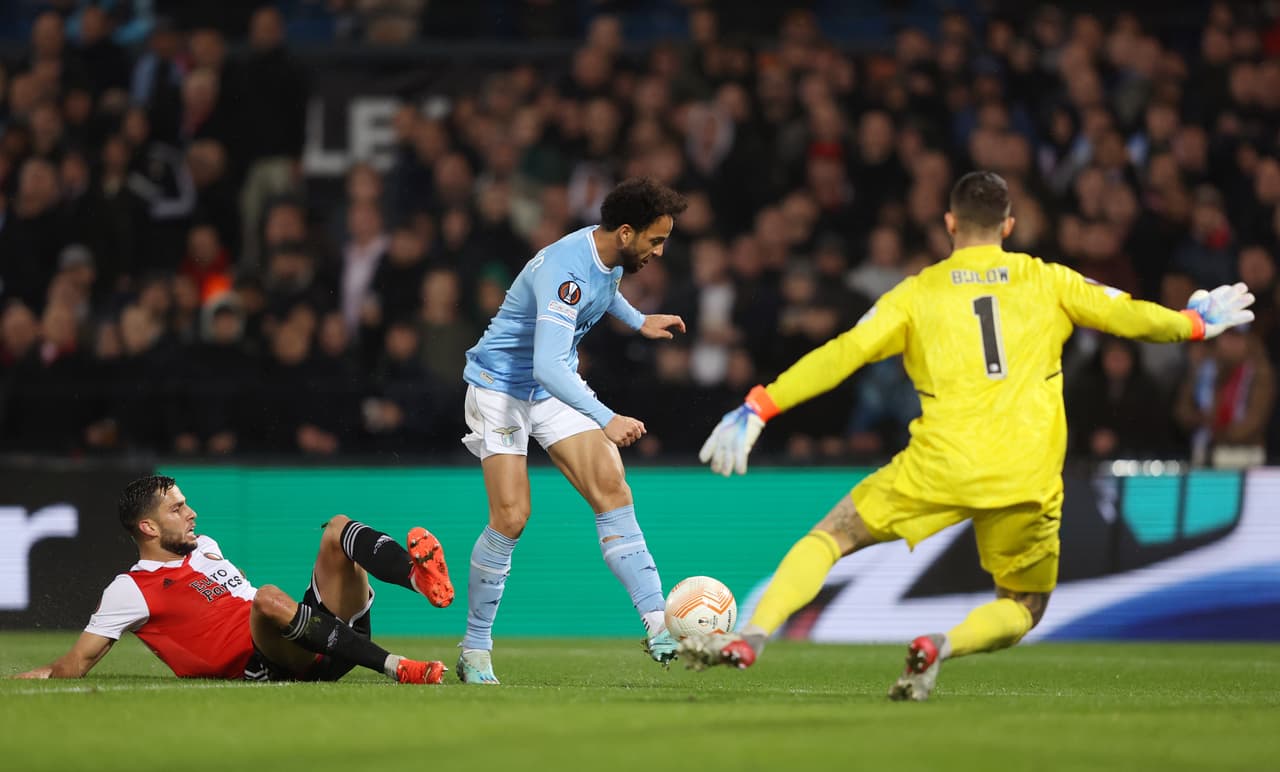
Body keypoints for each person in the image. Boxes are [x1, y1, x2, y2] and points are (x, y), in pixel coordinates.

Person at [681, 171, 1255, 700]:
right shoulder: (1047, 279)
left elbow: (843, 354)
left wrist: (760, 405)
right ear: (1009, 225)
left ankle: (756, 631)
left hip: (939, 464)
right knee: (1024, 605)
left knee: (832, 537)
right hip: (1026, 474)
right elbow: (1133, 316)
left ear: (950, 224)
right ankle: (941, 645)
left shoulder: (916, 293)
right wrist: (1195, 322)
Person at [457, 177, 688, 684]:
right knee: (512, 516)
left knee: (612, 485)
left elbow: (603, 291)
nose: (660, 250)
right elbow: (548, 366)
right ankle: (475, 647)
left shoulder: (602, 251)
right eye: (655, 239)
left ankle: (657, 624)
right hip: (501, 388)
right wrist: (607, 418)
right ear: (626, 233)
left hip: (546, 388)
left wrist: (638, 320)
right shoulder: (567, 270)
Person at [13, 475, 455, 684]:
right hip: (280, 661)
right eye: (177, 509)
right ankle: (398, 667)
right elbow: (77, 665)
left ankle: (416, 579)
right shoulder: (131, 588)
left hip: (319, 634)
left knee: (336, 528)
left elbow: (225, 593)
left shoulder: (205, 545)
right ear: (147, 528)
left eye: (187, 503)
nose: (192, 514)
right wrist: (39, 675)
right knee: (266, 599)